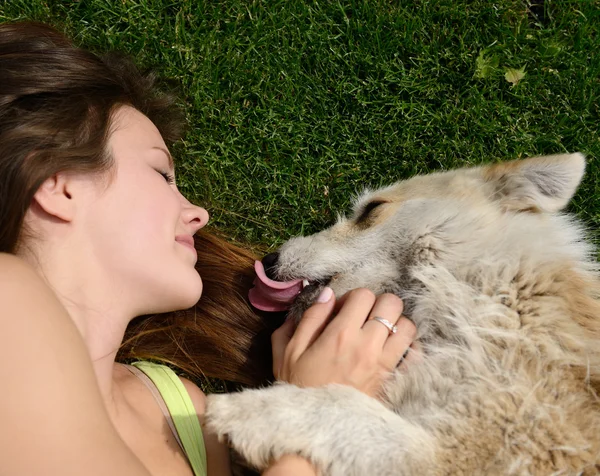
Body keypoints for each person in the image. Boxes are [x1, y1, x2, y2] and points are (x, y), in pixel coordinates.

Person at [0, 21, 417, 476]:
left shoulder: (178, 407)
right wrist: (316, 413)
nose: (198, 213)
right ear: (59, 188)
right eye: (161, 174)